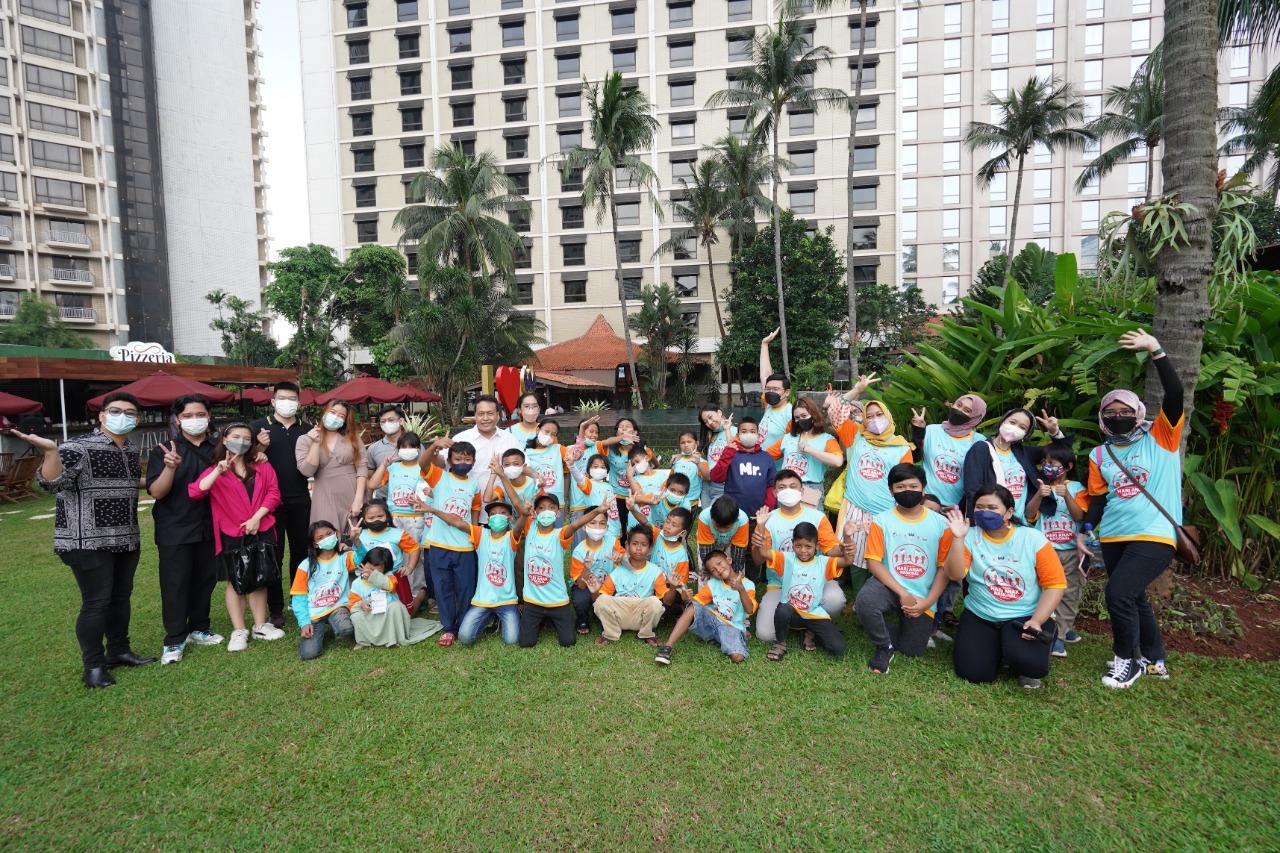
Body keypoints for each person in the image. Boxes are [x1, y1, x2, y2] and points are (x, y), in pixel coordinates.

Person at [22, 391, 155, 688]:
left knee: (121, 597)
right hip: (86, 541)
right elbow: (51, 483)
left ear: (137, 420)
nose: (123, 417)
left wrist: (173, 475)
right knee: (96, 602)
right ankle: (93, 666)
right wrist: (51, 452)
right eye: (116, 411)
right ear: (102, 416)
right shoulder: (76, 447)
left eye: (130, 413)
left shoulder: (130, 449)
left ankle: (118, 650)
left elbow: (129, 483)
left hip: (126, 536)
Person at [1085, 329, 1185, 689]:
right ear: (1102, 417)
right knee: (1134, 597)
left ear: (1138, 413)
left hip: (1154, 533)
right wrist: (1086, 531)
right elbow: (1098, 499)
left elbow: (1175, 394)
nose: (1118, 416)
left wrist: (1156, 350)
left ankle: (1126, 661)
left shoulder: (1161, 436)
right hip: (1113, 535)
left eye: (1126, 411)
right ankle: (1155, 660)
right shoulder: (1100, 453)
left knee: (1118, 595)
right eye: (1110, 412)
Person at [943, 485, 1066, 689]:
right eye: (979, 507)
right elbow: (955, 575)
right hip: (981, 614)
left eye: (992, 507)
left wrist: (1036, 620)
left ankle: (1026, 648)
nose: (985, 512)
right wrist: (958, 538)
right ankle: (1000, 648)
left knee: (1031, 666)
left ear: (1009, 512)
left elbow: (1055, 585)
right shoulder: (969, 536)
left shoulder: (1032, 538)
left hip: (1024, 616)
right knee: (973, 672)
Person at [187, 422, 285, 652]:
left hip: (261, 527)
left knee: (261, 576)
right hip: (232, 532)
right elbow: (196, 492)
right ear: (224, 439)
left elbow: (273, 493)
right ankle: (239, 629)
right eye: (236, 437)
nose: (241, 442)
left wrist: (257, 518)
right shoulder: (216, 469)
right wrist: (217, 471)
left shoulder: (261, 464)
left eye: (247, 438)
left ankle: (260, 625)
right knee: (235, 579)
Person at [856, 463, 953, 674]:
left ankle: (881, 625)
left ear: (923, 489)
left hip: (923, 594)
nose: (907, 491)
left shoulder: (942, 524)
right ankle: (884, 645)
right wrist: (902, 593)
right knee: (865, 601)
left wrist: (927, 602)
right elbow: (873, 562)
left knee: (913, 650)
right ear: (891, 491)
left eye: (913, 486)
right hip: (889, 585)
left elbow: (944, 569)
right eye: (900, 487)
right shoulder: (881, 521)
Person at [147, 394, 222, 664]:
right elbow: (157, 492)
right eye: (187, 416)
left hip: (210, 525)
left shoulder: (218, 448)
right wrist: (170, 467)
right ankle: (175, 638)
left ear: (209, 417)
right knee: (175, 583)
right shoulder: (165, 450)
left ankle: (199, 627)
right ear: (177, 420)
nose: (194, 420)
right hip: (175, 526)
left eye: (200, 414)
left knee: (205, 579)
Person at [824, 377, 913, 581]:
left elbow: (905, 483)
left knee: (883, 555)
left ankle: (882, 590)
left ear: (887, 416)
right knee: (854, 554)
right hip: (855, 507)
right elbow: (835, 412)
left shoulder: (902, 448)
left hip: (887, 511)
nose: (875, 419)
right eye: (869, 416)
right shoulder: (855, 437)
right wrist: (857, 389)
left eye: (879, 415)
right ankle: (858, 593)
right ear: (863, 420)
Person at [752, 470, 846, 644]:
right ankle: (803, 621)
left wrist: (844, 546)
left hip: (814, 582)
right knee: (765, 635)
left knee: (835, 600)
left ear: (802, 491)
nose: (788, 490)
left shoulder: (818, 517)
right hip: (780, 585)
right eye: (782, 487)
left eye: (793, 486)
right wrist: (759, 542)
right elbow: (758, 560)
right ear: (775, 492)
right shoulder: (767, 520)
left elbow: (831, 550)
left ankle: (808, 625)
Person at [250, 381, 313, 628]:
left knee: (301, 552)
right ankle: (275, 608)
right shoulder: (258, 427)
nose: (287, 403)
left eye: (292, 399)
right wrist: (259, 446)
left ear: (299, 402)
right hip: (269, 503)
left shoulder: (307, 430)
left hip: (300, 499)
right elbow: (245, 461)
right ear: (273, 401)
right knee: (273, 554)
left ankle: (298, 598)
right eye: (282, 398)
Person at [752, 521, 855, 660]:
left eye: (808, 546)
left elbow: (848, 561)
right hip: (791, 612)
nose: (803, 550)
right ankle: (780, 643)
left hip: (812, 613)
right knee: (783, 608)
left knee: (838, 647)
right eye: (798, 545)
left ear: (817, 546)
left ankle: (810, 633)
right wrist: (760, 525)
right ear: (792, 544)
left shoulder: (823, 563)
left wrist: (847, 536)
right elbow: (764, 552)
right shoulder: (786, 559)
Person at [1024, 443, 1088, 657]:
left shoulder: (1078, 488)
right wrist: (1039, 495)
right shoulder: (1040, 486)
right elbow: (1029, 514)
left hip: (1071, 551)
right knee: (1042, 590)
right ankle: (1048, 627)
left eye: (1052, 463)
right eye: (1044, 462)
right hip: (1046, 550)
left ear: (1068, 466)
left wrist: (1067, 495)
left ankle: (1059, 635)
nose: (1047, 466)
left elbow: (1079, 516)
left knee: (1069, 592)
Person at [519, 496, 609, 648]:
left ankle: (549, 619)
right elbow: (518, 508)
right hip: (532, 601)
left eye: (552, 507)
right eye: (541, 508)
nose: (546, 511)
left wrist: (598, 511)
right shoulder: (530, 527)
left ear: (558, 513)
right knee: (526, 643)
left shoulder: (560, 534)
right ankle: (541, 619)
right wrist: (524, 513)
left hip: (557, 601)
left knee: (568, 641)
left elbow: (575, 524)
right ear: (535, 512)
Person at [421, 440, 482, 647]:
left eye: (467, 459)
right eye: (457, 459)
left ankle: (464, 623)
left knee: (466, 588)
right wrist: (434, 446)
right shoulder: (439, 477)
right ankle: (448, 628)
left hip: (464, 546)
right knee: (443, 587)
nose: (462, 463)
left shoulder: (474, 484)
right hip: (439, 545)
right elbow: (423, 463)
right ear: (449, 461)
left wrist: (474, 533)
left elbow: (475, 509)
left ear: (473, 462)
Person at [960, 407, 1069, 522]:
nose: (1015, 428)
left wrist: (1054, 431)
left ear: (1026, 434)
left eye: (1022, 427)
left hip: (1018, 521)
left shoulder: (1024, 453)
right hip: (990, 519)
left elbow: (1062, 453)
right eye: (1012, 422)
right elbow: (973, 488)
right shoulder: (981, 449)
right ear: (1003, 421)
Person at [654, 550, 756, 665]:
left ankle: (721, 639)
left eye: (719, 563)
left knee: (738, 657)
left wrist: (741, 589)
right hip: (711, 621)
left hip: (731, 627)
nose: (718, 570)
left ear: (729, 560)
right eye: (713, 570)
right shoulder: (713, 583)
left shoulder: (748, 585)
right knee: (692, 607)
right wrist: (684, 597)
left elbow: (749, 610)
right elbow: (695, 604)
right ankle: (667, 647)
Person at [590, 526, 670, 647]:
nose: (638, 548)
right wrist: (594, 592)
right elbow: (601, 600)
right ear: (627, 546)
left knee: (655, 602)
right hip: (619, 613)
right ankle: (610, 633)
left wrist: (673, 587)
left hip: (641, 614)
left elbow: (667, 600)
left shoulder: (655, 571)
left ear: (649, 549)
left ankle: (647, 633)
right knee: (601, 601)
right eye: (635, 544)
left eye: (643, 545)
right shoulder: (618, 570)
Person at [909, 393, 988, 510]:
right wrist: (918, 432)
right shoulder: (931, 430)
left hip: (955, 508)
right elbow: (914, 457)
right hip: (925, 502)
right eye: (958, 405)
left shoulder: (979, 441)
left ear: (975, 417)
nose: (959, 410)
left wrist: (961, 506)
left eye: (967, 410)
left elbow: (980, 480)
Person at [296, 399, 368, 527]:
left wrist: (358, 499)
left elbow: (362, 467)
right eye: (333, 412)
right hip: (324, 494)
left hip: (351, 493)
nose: (335, 417)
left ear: (345, 421)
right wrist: (315, 443)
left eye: (341, 416)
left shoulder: (353, 438)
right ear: (325, 412)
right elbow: (307, 471)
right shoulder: (305, 439)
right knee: (326, 532)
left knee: (353, 533)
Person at [291, 520, 356, 660]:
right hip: (314, 612)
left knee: (347, 629)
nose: (327, 538)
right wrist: (304, 622)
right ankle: (321, 629)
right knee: (309, 654)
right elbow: (299, 597)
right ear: (315, 544)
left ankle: (337, 625)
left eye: (329, 534)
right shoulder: (305, 565)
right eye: (320, 538)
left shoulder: (345, 558)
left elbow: (364, 558)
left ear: (336, 534)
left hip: (338, 606)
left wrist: (356, 541)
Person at [348, 546, 435, 648]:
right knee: (356, 616)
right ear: (364, 563)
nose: (371, 572)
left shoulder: (389, 577)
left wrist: (374, 576)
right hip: (370, 614)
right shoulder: (357, 583)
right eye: (370, 568)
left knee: (396, 607)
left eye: (376, 572)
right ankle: (363, 640)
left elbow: (390, 586)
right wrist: (361, 604)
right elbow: (352, 604)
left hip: (387, 613)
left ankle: (396, 637)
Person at [350, 498, 423, 614]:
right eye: (371, 518)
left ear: (387, 516)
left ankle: (421, 595)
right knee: (373, 611)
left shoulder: (397, 534)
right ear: (364, 520)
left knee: (405, 613)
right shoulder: (360, 535)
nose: (376, 520)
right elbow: (360, 558)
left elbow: (414, 549)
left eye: (380, 516)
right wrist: (355, 541)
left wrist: (410, 567)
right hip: (368, 579)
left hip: (394, 578)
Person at [764, 396, 842, 498]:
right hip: (786, 487)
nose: (800, 420)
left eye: (804, 416)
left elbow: (837, 461)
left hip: (811, 487)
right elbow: (764, 457)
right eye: (797, 418)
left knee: (811, 510)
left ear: (813, 415)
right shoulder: (787, 438)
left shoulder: (826, 439)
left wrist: (808, 449)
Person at [443, 395, 518, 498]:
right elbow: (442, 462)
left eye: (490, 414)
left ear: (498, 415)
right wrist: (435, 450)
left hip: (502, 503)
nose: (485, 418)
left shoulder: (509, 439)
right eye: (481, 414)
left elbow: (523, 466)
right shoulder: (460, 438)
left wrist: (535, 475)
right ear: (475, 415)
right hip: (467, 502)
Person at [709, 416, 776, 521]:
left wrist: (767, 509)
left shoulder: (766, 457)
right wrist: (727, 454)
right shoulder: (730, 454)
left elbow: (771, 486)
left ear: (758, 435)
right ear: (738, 435)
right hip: (732, 514)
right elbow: (716, 477)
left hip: (758, 515)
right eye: (744, 431)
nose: (748, 434)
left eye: (752, 431)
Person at [569, 511, 625, 634]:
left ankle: (605, 614)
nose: (597, 527)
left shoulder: (613, 542)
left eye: (602, 523)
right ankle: (583, 619)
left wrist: (621, 558)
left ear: (607, 527)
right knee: (580, 598)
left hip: (608, 585)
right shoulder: (579, 551)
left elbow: (629, 562)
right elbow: (581, 585)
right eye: (593, 523)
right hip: (586, 586)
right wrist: (586, 569)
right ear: (584, 526)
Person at [567, 416, 603, 545]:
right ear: (581, 431)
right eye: (591, 431)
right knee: (579, 542)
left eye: (596, 432)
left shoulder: (597, 448)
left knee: (596, 540)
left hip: (595, 501)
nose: (594, 435)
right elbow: (578, 451)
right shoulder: (570, 449)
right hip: (578, 503)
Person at [696, 496, 751, 578]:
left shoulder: (742, 520)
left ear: (735, 521)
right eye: (718, 526)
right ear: (712, 518)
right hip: (708, 541)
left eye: (727, 528)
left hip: (731, 542)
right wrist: (706, 570)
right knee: (705, 574)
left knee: (737, 574)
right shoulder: (704, 517)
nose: (722, 531)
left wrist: (736, 571)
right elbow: (706, 551)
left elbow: (739, 551)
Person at [523, 417, 573, 507]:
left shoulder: (558, 449)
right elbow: (522, 469)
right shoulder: (526, 452)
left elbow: (575, 452)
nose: (549, 436)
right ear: (538, 430)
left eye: (553, 434)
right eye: (546, 431)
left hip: (557, 502)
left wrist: (564, 497)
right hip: (536, 502)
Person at [758, 329, 793, 450]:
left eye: (776, 389)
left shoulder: (790, 413)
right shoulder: (769, 406)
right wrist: (764, 344)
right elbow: (765, 375)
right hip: (762, 460)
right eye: (768, 389)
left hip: (777, 462)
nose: (770, 392)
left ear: (786, 392)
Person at [697, 404, 737, 506]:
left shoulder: (735, 431)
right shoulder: (711, 435)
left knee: (715, 513)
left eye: (710, 417)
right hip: (707, 485)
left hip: (723, 484)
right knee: (705, 514)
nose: (709, 423)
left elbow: (733, 451)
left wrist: (727, 430)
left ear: (719, 412)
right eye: (705, 422)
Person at [365, 405, 408, 499]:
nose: (387, 423)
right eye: (383, 421)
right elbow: (370, 477)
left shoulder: (414, 446)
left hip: (411, 500)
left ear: (401, 421)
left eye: (391, 420)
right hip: (383, 500)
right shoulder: (373, 449)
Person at [625, 445, 667, 524]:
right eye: (633, 464)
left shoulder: (662, 475)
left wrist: (645, 498)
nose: (636, 465)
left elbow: (665, 493)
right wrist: (629, 476)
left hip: (658, 519)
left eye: (637, 461)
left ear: (647, 458)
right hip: (642, 520)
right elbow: (639, 496)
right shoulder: (635, 480)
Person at [669, 430, 709, 511]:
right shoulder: (676, 460)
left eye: (689, 442)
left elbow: (707, 478)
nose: (686, 445)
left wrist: (698, 463)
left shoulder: (702, 462)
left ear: (696, 443)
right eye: (682, 443)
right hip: (675, 501)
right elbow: (670, 479)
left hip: (691, 503)